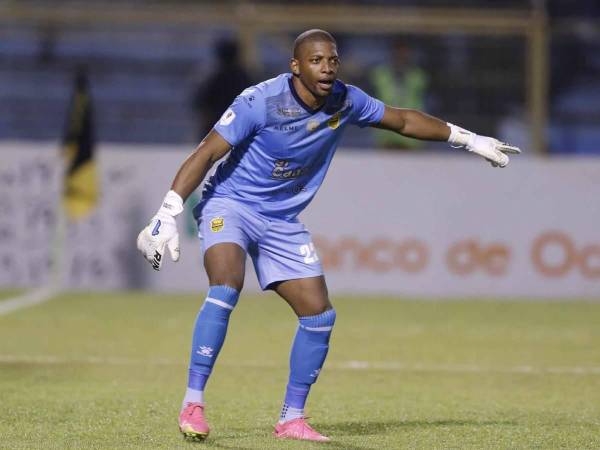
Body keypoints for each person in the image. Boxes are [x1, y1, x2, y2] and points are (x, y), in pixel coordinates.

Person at [137, 29, 520, 443]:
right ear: (296, 66)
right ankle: (193, 403)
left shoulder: (345, 99)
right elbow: (208, 151)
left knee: (319, 315)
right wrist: (168, 210)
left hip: (281, 220)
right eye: (316, 61)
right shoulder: (259, 101)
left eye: (332, 60)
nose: (327, 68)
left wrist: (466, 138)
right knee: (227, 286)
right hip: (231, 205)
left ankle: (292, 419)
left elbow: (403, 119)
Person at [191, 38, 252, 141]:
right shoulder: (245, 77)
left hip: (216, 129)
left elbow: (199, 103)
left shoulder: (213, 77)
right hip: (240, 129)